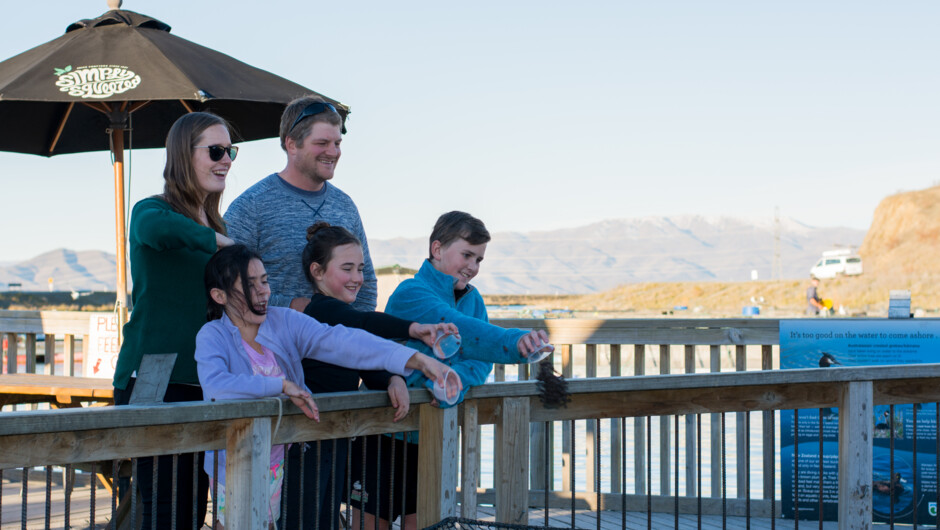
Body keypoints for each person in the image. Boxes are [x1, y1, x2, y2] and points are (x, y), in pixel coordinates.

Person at [194, 245, 457, 529]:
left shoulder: (284, 321)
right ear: (219, 295)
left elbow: (342, 340)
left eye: (264, 281)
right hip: (234, 464)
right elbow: (216, 386)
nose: (263, 292)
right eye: (249, 284)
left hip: (281, 462)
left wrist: (415, 359)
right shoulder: (212, 335)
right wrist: (281, 385)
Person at [372, 211, 550, 530]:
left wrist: (453, 381)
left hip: (435, 436)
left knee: (426, 522)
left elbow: (481, 361)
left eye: (479, 259)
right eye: (467, 255)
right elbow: (461, 329)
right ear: (437, 249)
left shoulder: (473, 299)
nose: (473, 266)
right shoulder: (411, 292)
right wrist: (516, 341)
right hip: (384, 432)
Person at [111, 111, 237, 529]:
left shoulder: (216, 224)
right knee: (165, 508)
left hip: (204, 377)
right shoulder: (151, 210)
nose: (226, 160)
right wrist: (216, 241)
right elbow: (157, 230)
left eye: (230, 151)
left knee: (192, 507)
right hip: (153, 375)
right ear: (184, 154)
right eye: (216, 151)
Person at [293, 221, 459, 529]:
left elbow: (365, 358)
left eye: (360, 269)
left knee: (325, 518)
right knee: (304, 519)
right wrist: (414, 329)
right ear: (317, 271)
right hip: (303, 442)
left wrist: (393, 378)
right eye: (347, 269)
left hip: (333, 438)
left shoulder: (341, 320)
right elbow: (365, 324)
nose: (358, 278)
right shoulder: (321, 312)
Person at [224, 95, 377, 313]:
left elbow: (367, 284)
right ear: (292, 144)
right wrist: (293, 307)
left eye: (337, 143)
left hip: (339, 334)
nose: (333, 152)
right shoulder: (251, 206)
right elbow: (228, 283)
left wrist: (357, 327)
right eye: (322, 143)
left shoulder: (345, 206)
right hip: (271, 334)